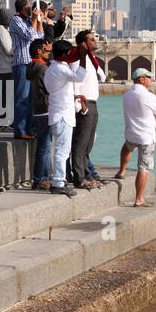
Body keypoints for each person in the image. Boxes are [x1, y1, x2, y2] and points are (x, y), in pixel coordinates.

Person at [45, 38, 87, 197]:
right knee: (62, 151)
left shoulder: (53, 68)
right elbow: (79, 77)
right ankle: (57, 182)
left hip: (59, 114)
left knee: (62, 150)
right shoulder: (59, 68)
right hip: (62, 115)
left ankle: (59, 181)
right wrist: (82, 57)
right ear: (64, 54)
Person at [119, 67, 156, 207]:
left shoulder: (127, 94)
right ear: (142, 79)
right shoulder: (149, 96)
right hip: (146, 136)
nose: (151, 80)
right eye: (149, 77)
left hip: (131, 132)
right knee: (143, 168)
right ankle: (139, 199)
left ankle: (122, 171)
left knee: (127, 147)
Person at [69, 29, 107, 189]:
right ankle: (79, 178)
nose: (95, 42)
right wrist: (80, 106)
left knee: (88, 144)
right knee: (80, 144)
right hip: (85, 105)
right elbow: (74, 83)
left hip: (93, 104)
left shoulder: (91, 59)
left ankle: (87, 174)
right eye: (92, 39)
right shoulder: (78, 59)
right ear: (84, 43)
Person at [7, 0, 43, 139]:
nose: (31, 10)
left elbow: (39, 37)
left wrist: (39, 19)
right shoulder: (16, 20)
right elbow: (29, 35)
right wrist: (34, 19)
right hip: (21, 63)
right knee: (21, 97)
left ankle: (29, 128)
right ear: (23, 8)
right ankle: (20, 130)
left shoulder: (28, 21)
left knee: (29, 99)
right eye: (29, 7)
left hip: (30, 63)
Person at [25, 38, 51, 188]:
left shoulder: (32, 67)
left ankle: (41, 178)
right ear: (39, 51)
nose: (49, 53)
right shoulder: (42, 68)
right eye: (46, 50)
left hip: (38, 110)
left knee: (43, 147)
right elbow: (49, 89)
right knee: (45, 147)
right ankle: (40, 179)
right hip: (45, 110)